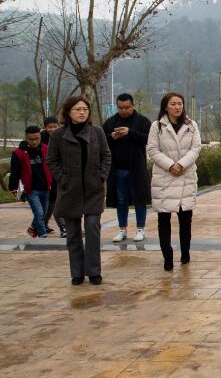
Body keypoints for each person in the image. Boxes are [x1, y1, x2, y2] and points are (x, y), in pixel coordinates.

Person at [47, 96, 111, 285]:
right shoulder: (58, 135)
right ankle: (77, 272)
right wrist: (62, 178)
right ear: (68, 112)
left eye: (85, 109)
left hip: (93, 188)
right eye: (78, 109)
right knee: (73, 233)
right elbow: (52, 160)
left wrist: (101, 175)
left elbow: (106, 155)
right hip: (69, 190)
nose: (82, 112)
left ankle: (94, 271)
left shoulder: (97, 132)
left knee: (92, 228)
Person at [147, 92, 202, 271]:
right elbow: (153, 150)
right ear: (165, 106)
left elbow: (196, 148)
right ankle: (167, 257)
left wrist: (181, 164)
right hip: (165, 178)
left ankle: (185, 253)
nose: (177, 107)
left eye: (180, 103)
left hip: (185, 176)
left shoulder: (191, 125)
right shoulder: (157, 126)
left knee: (186, 220)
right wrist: (171, 165)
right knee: (164, 220)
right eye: (173, 104)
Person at [103, 93, 152, 243]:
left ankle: (140, 229)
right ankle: (122, 229)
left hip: (136, 167)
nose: (123, 110)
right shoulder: (110, 122)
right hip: (118, 168)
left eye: (127, 107)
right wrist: (112, 137)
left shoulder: (143, 121)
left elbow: (149, 139)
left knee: (139, 199)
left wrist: (130, 133)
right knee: (121, 200)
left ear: (133, 105)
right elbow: (102, 141)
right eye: (120, 108)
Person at [8, 126, 52, 239]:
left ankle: (32, 228)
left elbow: (53, 166)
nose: (34, 142)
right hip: (31, 190)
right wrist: (13, 187)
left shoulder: (46, 149)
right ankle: (43, 236)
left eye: (37, 138)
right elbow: (14, 171)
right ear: (26, 138)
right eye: (31, 139)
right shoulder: (18, 153)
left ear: (40, 137)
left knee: (44, 213)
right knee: (39, 213)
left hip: (46, 187)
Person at [41, 116, 64, 237]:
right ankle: (59, 226)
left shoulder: (62, 136)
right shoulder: (40, 138)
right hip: (44, 174)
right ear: (45, 127)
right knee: (51, 201)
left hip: (58, 172)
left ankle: (61, 226)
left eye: (55, 126)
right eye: (49, 127)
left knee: (54, 200)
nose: (52, 129)